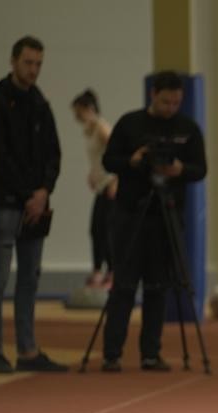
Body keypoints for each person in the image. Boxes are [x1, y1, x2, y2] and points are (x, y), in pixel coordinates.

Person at [101, 71, 207, 372]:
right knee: (123, 285)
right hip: (130, 213)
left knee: (157, 286)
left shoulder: (188, 128)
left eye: (176, 102)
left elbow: (201, 169)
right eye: (165, 102)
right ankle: (112, 353)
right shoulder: (129, 123)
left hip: (166, 215)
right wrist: (132, 161)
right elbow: (108, 161)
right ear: (153, 95)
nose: (171, 108)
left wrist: (180, 169)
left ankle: (151, 352)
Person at [0, 35, 66, 373]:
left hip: (36, 203)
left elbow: (54, 153)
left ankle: (27, 349)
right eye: (28, 63)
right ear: (13, 61)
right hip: (5, 203)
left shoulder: (40, 103)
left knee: (30, 278)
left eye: (38, 64)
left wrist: (43, 192)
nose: (33, 69)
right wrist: (26, 194)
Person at [72, 89, 117, 288]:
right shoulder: (89, 130)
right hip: (100, 185)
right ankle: (98, 270)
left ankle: (112, 272)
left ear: (89, 109)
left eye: (79, 112)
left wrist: (116, 179)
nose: (76, 117)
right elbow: (97, 156)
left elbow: (117, 150)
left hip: (110, 184)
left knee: (108, 230)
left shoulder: (101, 127)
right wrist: (92, 174)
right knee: (96, 229)